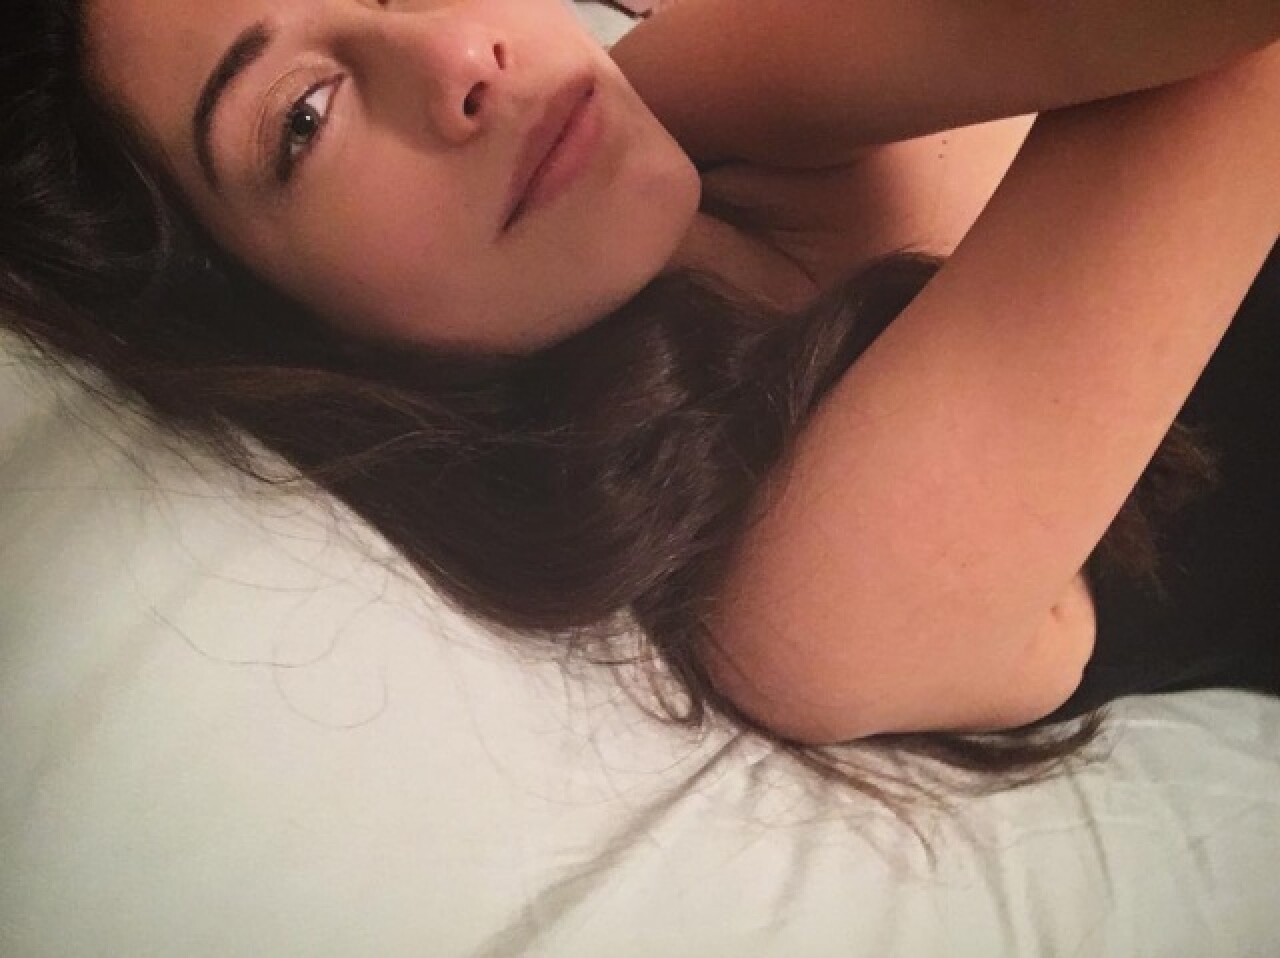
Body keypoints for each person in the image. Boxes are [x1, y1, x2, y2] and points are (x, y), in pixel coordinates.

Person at [1, 0, 1277, 821]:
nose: (457, 54)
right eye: (305, 117)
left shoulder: (673, 96)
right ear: (272, 329)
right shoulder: (813, 601)